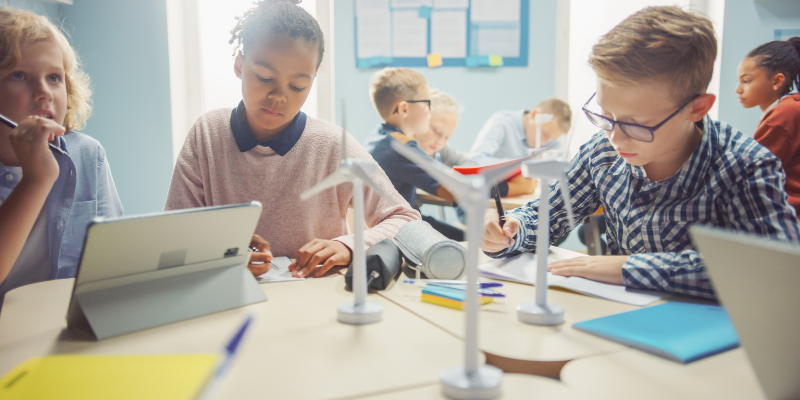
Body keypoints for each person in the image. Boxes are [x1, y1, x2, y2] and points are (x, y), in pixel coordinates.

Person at [481, 6, 800, 299]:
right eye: (606, 115)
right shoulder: (602, 151)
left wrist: (628, 268)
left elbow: (777, 271)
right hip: (616, 315)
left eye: (637, 124)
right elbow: (549, 213)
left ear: (696, 108)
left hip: (710, 338)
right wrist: (511, 231)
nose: (616, 137)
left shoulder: (744, 165)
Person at [165, 0, 419, 279]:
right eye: (263, 77)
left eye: (297, 85)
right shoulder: (208, 134)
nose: (279, 97)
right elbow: (175, 233)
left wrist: (348, 246)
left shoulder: (333, 145)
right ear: (239, 64)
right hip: (229, 292)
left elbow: (404, 219)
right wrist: (224, 253)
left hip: (314, 296)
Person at [0, 9, 123, 309]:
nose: (44, 92)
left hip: (67, 331)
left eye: (54, 77)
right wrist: (37, 180)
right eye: (19, 75)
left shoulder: (88, 155)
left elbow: (115, 262)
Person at [736, 37, 800, 216]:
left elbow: (750, 171)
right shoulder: (789, 108)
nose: (738, 89)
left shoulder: (786, 112)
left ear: (777, 81)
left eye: (746, 81)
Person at [469, 98, 572, 166]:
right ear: (534, 114)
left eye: (551, 138)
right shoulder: (502, 123)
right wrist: (522, 165)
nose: (545, 143)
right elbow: (475, 160)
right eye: (545, 134)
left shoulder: (551, 142)